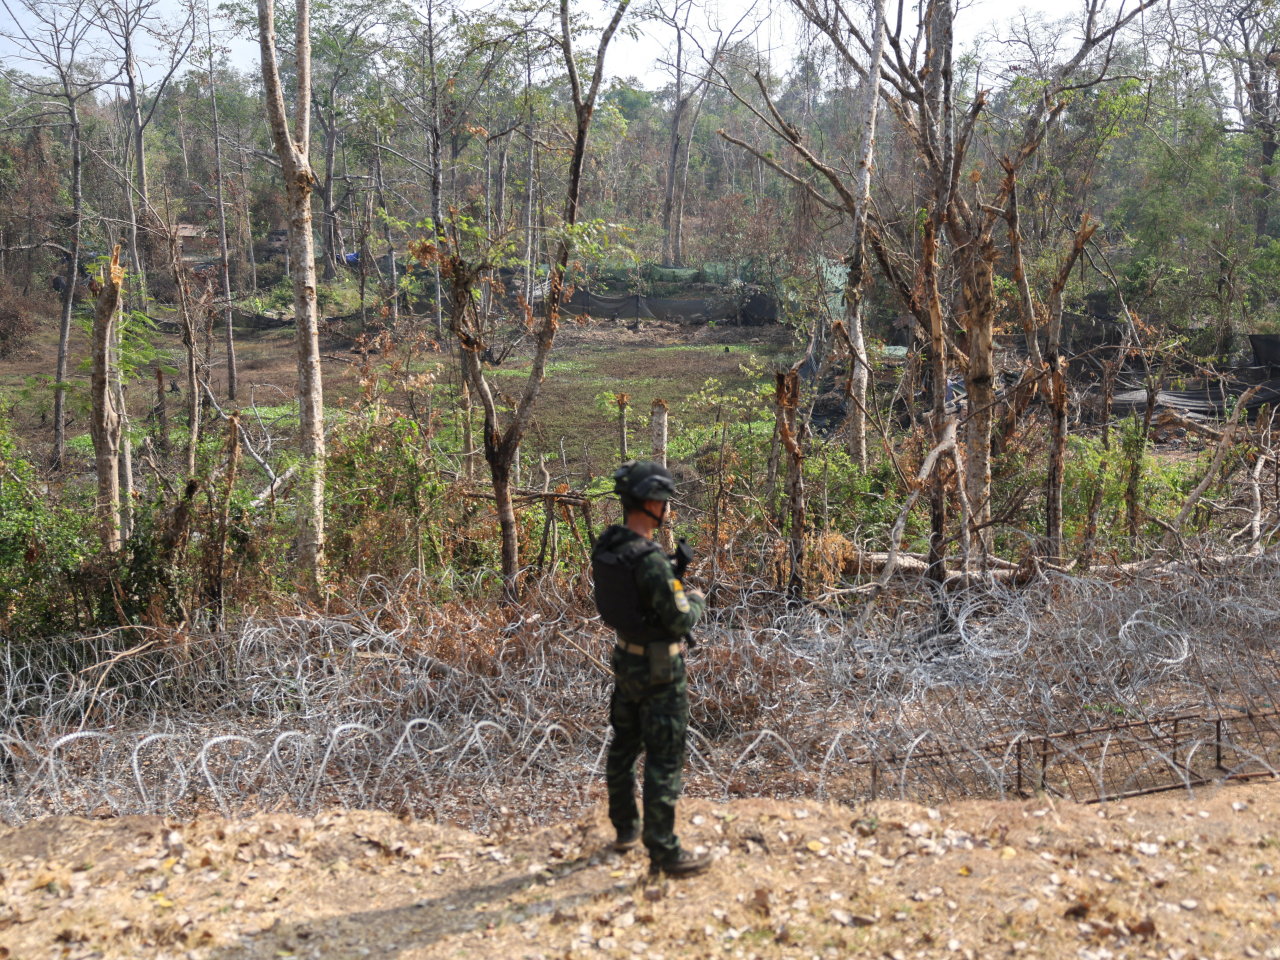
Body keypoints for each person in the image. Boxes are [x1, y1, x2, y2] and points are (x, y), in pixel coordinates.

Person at [591, 460, 710, 876]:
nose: (666, 509)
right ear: (650, 504)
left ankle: (626, 828)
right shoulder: (651, 562)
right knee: (664, 756)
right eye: (662, 501)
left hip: (625, 659)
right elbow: (679, 620)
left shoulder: (608, 545)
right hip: (661, 669)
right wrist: (694, 598)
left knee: (624, 745)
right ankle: (664, 850)